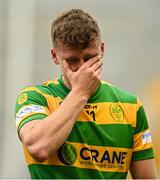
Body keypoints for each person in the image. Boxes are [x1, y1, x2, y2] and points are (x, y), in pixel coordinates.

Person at [15, 8, 157, 179]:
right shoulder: (35, 98)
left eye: (90, 58)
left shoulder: (131, 106)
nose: (84, 69)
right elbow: (39, 148)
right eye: (73, 61)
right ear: (55, 56)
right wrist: (81, 92)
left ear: (102, 49)